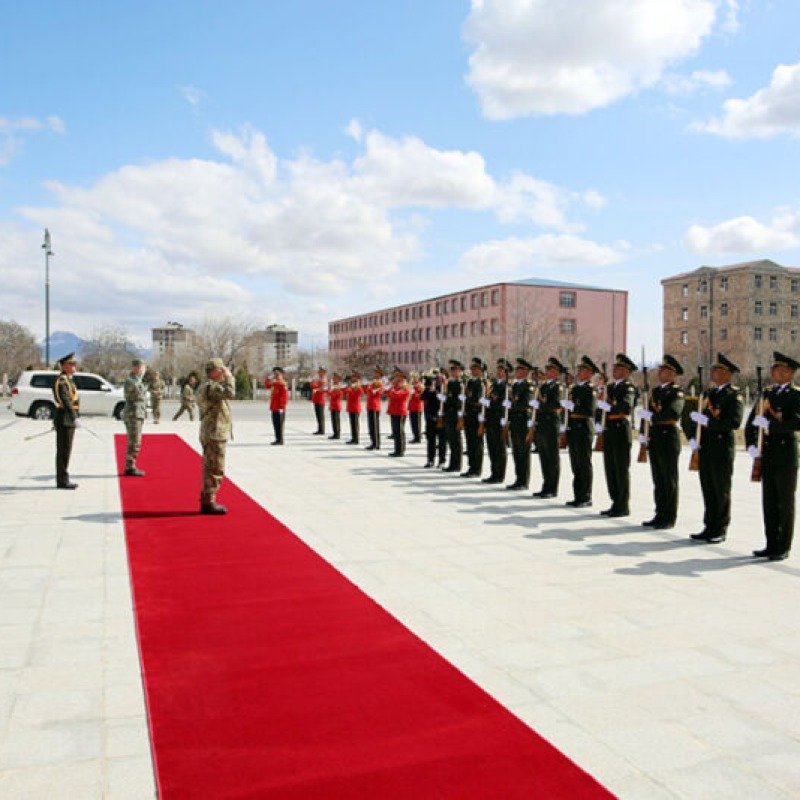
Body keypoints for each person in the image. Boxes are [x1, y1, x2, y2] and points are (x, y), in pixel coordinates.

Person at [745, 351, 800, 561]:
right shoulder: (766, 394)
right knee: (769, 502)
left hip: (785, 455)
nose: (775, 372)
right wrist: (751, 446)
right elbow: (751, 423)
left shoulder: (796, 395)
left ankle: (783, 545)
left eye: (780, 369)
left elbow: (796, 422)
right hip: (766, 454)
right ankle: (770, 543)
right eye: (774, 368)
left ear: (790, 372)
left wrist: (772, 426)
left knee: (784, 503)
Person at [689, 353, 744, 544]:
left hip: (721, 449)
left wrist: (708, 422)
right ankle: (709, 525)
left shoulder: (734, 395)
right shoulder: (709, 394)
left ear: (728, 374)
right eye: (713, 370)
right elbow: (698, 420)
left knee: (721, 490)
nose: (714, 373)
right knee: (708, 489)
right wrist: (694, 437)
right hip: (706, 447)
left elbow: (734, 422)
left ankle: (720, 528)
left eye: (718, 370)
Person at [640, 355, 685, 530]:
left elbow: (673, 413)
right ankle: (659, 513)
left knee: (669, 480)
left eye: (665, 370)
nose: (661, 373)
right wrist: (645, 432)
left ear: (673, 374)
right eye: (660, 370)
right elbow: (647, 412)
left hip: (668, 437)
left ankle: (669, 516)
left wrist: (652, 417)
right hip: (656, 438)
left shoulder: (677, 392)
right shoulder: (655, 392)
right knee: (658, 479)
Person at [598, 354, 638, 517]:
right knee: (610, 468)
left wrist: (609, 408)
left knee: (621, 469)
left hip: (620, 429)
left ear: (626, 371)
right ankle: (615, 501)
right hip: (609, 430)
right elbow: (600, 407)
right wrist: (599, 419)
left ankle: (623, 505)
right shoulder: (611, 387)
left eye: (619, 368)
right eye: (614, 367)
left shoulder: (628, 387)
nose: (615, 370)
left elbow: (626, 406)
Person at [197, 358, 235, 514]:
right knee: (215, 468)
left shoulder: (208, 386)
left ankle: (207, 499)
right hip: (215, 433)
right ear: (214, 371)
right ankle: (208, 501)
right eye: (221, 370)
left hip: (212, 431)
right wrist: (230, 377)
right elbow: (230, 393)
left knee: (210, 466)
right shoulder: (211, 387)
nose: (223, 372)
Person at [564, 355, 599, 507]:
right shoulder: (576, 388)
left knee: (584, 463)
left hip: (584, 428)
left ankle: (586, 496)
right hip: (574, 429)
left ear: (590, 373)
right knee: (575, 463)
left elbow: (590, 410)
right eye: (579, 369)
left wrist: (573, 407)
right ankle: (577, 495)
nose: (579, 371)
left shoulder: (591, 389)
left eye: (583, 369)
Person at [532, 357, 566, 498]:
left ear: (557, 372)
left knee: (552, 457)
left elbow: (556, 404)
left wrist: (540, 406)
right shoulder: (544, 386)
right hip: (542, 425)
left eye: (551, 370)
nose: (548, 372)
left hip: (552, 424)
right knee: (544, 457)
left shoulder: (559, 387)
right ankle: (546, 486)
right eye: (547, 369)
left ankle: (553, 488)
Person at [53, 352, 80, 489]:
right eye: (71, 364)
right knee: (63, 450)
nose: (74, 366)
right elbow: (66, 401)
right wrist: (74, 417)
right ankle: (62, 480)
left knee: (66, 450)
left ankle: (63, 478)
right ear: (64, 366)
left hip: (67, 418)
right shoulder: (62, 381)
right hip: (65, 418)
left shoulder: (68, 380)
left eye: (74, 363)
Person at [483, 358, 511, 484]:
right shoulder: (493, 385)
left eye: (502, 371)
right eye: (498, 370)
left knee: (500, 448)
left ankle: (500, 474)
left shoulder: (507, 386)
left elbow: (503, 404)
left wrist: (490, 403)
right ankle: (494, 472)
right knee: (491, 447)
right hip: (491, 419)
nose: (499, 372)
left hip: (500, 419)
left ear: (506, 373)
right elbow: (491, 400)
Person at [507, 358, 533, 490]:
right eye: (517, 369)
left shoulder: (528, 385)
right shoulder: (516, 385)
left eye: (520, 369)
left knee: (523, 452)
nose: (517, 371)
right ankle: (518, 478)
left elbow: (526, 403)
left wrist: (513, 405)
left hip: (523, 420)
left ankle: (524, 481)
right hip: (515, 421)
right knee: (516, 451)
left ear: (526, 371)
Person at [123, 358, 147, 477]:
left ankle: (130, 465)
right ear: (136, 368)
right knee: (134, 442)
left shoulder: (137, 380)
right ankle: (130, 467)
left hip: (138, 414)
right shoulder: (131, 381)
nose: (144, 370)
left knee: (136, 441)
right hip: (133, 414)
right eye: (143, 367)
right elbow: (137, 395)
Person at [462, 357, 487, 478]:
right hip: (469, 415)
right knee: (470, 441)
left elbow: (477, 400)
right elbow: (468, 396)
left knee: (477, 443)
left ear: (480, 370)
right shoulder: (470, 382)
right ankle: (471, 466)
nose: (472, 370)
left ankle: (477, 468)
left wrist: (468, 399)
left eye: (475, 369)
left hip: (477, 415)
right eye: (472, 368)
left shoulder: (482, 383)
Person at [442, 360, 465, 473]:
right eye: (452, 370)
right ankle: (452, 463)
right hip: (449, 413)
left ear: (460, 371)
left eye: (455, 370)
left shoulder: (461, 383)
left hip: (456, 413)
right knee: (451, 439)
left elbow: (460, 401)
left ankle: (457, 464)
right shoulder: (450, 383)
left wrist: (448, 399)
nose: (453, 372)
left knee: (456, 440)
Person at [422, 371, 447, 468]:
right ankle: (430, 460)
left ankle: (442, 461)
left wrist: (440, 395)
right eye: (437, 379)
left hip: (442, 418)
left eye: (441, 379)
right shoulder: (431, 389)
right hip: (431, 418)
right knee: (431, 441)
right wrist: (430, 390)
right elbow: (422, 397)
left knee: (442, 441)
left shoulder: (446, 389)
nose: (439, 381)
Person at [386, 370, 411, 457]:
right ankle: (397, 449)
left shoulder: (405, 386)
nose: (396, 378)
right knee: (395, 431)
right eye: (395, 376)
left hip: (400, 411)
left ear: (402, 377)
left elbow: (397, 396)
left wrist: (391, 389)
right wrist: (390, 387)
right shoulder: (395, 386)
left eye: (397, 376)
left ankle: (400, 450)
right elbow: (386, 393)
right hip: (393, 410)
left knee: (399, 431)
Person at [264, 367, 288, 445]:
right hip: (274, 406)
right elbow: (267, 386)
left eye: (277, 374)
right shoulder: (275, 382)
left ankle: (280, 440)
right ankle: (277, 439)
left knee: (280, 424)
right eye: (275, 373)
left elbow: (285, 396)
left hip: (280, 407)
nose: (275, 375)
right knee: (275, 424)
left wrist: (282, 406)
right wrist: (268, 378)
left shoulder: (282, 383)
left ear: (281, 374)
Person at [364, 367, 384, 450]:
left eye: (377, 373)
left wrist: (370, 388)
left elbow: (374, 393)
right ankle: (373, 442)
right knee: (371, 426)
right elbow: (368, 391)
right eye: (375, 373)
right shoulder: (373, 382)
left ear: (380, 374)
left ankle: (376, 443)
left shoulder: (379, 383)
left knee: (375, 426)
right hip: (370, 405)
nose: (375, 374)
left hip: (375, 405)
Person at [344, 371, 363, 444]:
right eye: (352, 377)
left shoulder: (358, 385)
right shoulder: (351, 385)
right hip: (351, 406)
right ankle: (353, 438)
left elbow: (359, 393)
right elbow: (346, 392)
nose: (352, 378)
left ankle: (356, 439)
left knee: (355, 424)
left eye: (353, 377)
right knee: (352, 423)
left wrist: (350, 390)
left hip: (355, 407)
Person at [310, 367, 328, 435]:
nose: (319, 373)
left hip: (321, 399)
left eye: (321, 372)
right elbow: (313, 385)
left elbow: (324, 389)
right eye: (319, 372)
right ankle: (319, 429)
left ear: (324, 372)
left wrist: (316, 389)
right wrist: (314, 385)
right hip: (316, 399)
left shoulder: (324, 380)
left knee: (320, 415)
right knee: (318, 415)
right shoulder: (318, 379)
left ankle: (322, 430)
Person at [408, 372, 424, 443]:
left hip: (417, 406)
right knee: (413, 423)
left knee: (417, 423)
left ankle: (418, 438)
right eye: (412, 377)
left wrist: (413, 393)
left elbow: (421, 396)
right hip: (411, 406)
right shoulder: (412, 385)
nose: (413, 379)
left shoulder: (420, 385)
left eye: (414, 377)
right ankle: (415, 436)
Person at [327, 372, 343, 440]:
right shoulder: (335, 385)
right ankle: (335, 433)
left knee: (336, 420)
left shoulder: (339, 386)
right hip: (333, 404)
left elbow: (337, 395)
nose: (333, 379)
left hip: (336, 404)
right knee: (333, 420)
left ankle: (337, 434)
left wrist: (330, 392)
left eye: (335, 378)